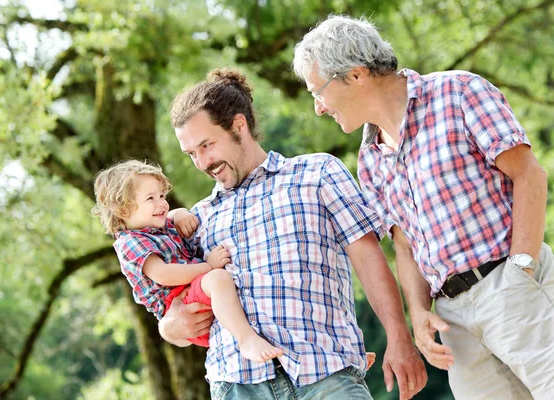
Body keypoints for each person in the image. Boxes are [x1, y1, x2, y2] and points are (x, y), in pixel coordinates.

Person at [293, 14, 554, 400]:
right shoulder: (370, 158)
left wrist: (520, 269)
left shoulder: (459, 92)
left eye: (319, 91)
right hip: (452, 319)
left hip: (510, 282)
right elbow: (404, 243)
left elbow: (529, 175)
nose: (319, 107)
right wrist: (418, 311)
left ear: (356, 75)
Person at [158, 68, 426, 400]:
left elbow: (368, 259)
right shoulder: (196, 220)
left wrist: (400, 338)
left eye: (207, 145)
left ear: (238, 126)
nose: (202, 162)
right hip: (239, 386)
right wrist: (168, 327)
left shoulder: (318, 173)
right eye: (191, 154)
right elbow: (172, 298)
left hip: (326, 376)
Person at [91, 159, 283, 362]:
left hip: (193, 294)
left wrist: (180, 213)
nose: (162, 204)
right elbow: (164, 274)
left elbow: (170, 216)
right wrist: (208, 266)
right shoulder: (130, 242)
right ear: (123, 210)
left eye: (162, 195)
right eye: (150, 198)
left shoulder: (156, 226)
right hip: (181, 304)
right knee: (218, 278)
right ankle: (247, 340)